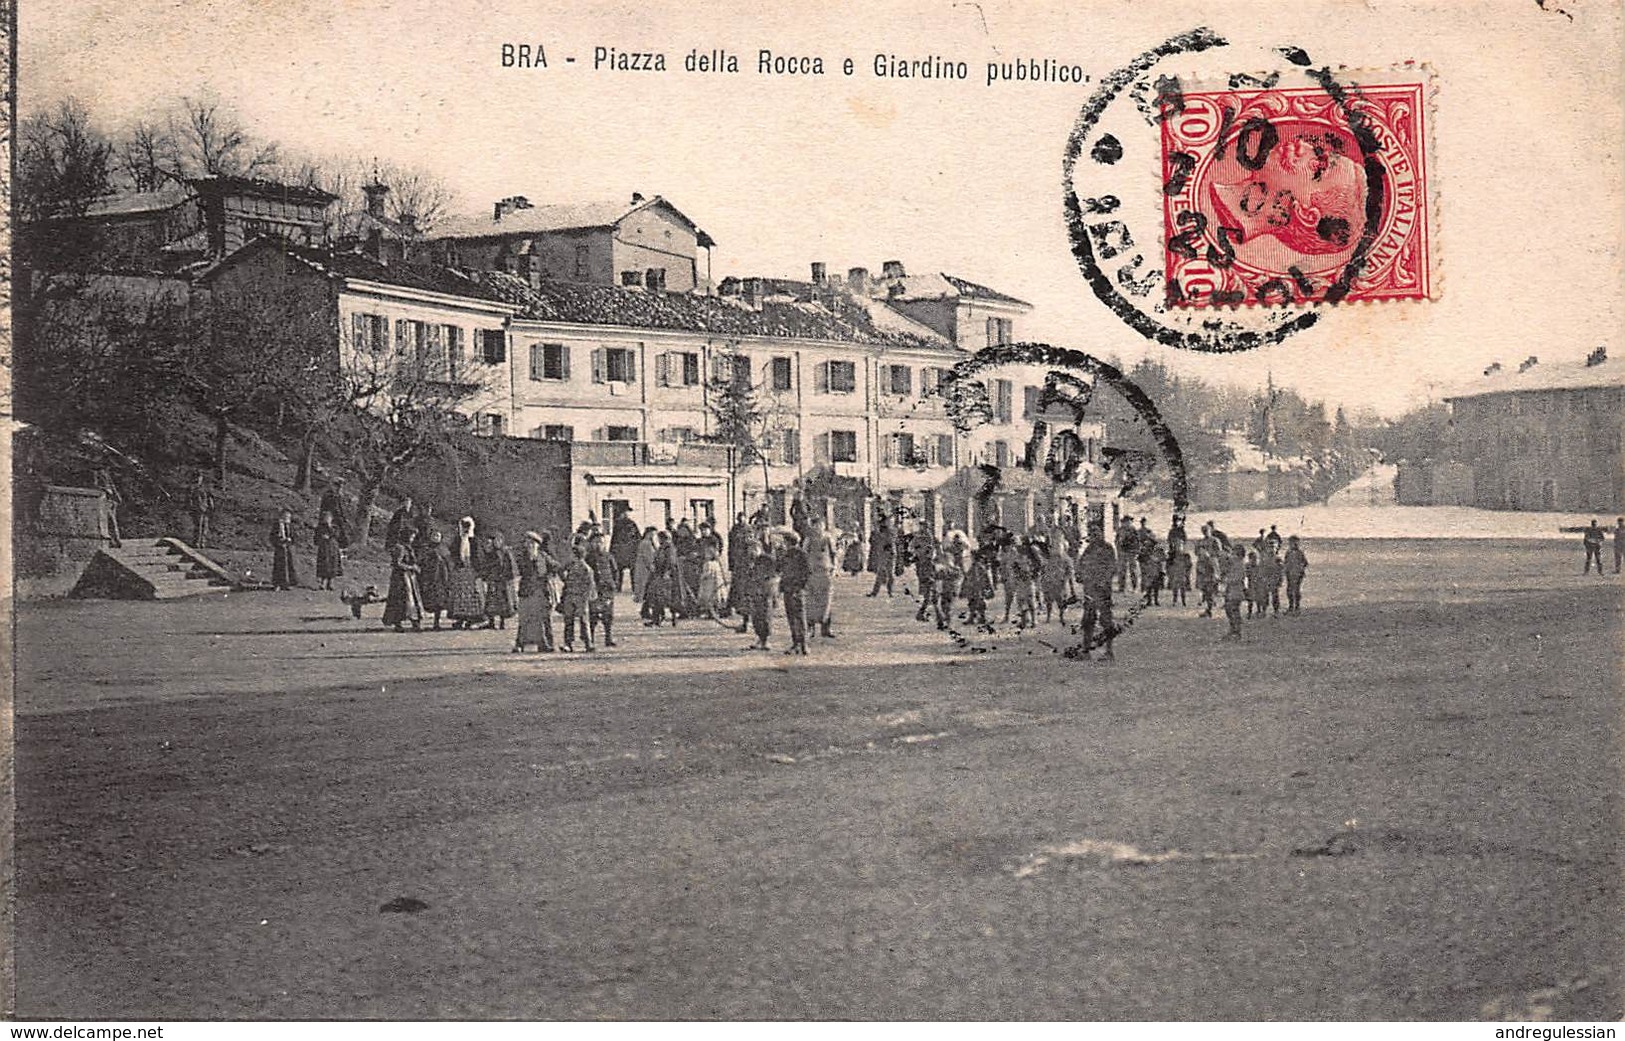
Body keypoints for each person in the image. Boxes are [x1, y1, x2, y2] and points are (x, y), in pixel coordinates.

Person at [1075, 527, 1117, 661]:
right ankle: (1086, 651)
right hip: (1089, 590)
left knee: (1106, 620)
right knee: (1088, 620)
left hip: (1102, 590)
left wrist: (1103, 581)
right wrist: (1079, 575)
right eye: (1091, 534)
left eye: (1096, 534)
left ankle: (1109, 652)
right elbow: (1081, 564)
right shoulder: (1089, 549)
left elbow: (1112, 567)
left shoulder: (1107, 548)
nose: (1093, 537)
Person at [514, 531, 557, 652]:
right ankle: (520, 644)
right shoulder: (522, 557)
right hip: (527, 591)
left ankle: (546, 644)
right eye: (528, 543)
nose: (530, 546)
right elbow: (519, 570)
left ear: (538, 545)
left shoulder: (543, 556)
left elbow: (555, 566)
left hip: (541, 592)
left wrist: (550, 575)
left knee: (544, 619)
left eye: (533, 543)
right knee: (524, 619)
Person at [446, 516, 486, 630]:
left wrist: (477, 570)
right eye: (463, 527)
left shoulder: (475, 541)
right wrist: (457, 565)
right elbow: (453, 555)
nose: (465, 529)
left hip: (472, 571)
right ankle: (460, 618)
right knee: (459, 595)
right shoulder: (457, 541)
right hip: (460, 571)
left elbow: (479, 557)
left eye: (468, 527)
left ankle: (471, 619)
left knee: (472, 595)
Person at [382, 530, 424, 633]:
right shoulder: (400, 548)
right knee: (402, 600)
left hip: (409, 577)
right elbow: (397, 563)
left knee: (412, 599)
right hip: (401, 578)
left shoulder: (408, 548)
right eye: (411, 537)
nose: (412, 539)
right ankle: (398, 623)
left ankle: (415, 622)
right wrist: (411, 567)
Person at [803, 518, 837, 638]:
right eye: (816, 525)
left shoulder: (828, 538)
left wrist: (835, 568)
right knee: (811, 601)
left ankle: (826, 628)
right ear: (813, 526)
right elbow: (804, 554)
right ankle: (810, 628)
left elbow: (834, 554)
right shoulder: (808, 539)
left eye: (820, 525)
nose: (818, 528)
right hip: (812, 573)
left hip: (825, 572)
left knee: (826, 600)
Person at [559, 543, 597, 652]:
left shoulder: (586, 568)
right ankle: (568, 643)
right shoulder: (570, 565)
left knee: (583, 620)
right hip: (570, 595)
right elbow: (561, 570)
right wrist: (564, 580)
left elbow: (590, 584)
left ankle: (588, 643)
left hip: (580, 597)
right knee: (569, 620)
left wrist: (586, 597)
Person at [778, 532, 811, 655]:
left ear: (789, 542)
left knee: (799, 616)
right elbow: (779, 568)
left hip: (796, 589)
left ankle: (803, 644)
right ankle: (796, 643)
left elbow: (807, 571)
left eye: (784, 541)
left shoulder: (801, 554)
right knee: (792, 617)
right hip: (788, 588)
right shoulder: (785, 554)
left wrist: (801, 586)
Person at [482, 531, 520, 630]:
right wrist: (486, 576)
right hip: (493, 580)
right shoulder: (490, 552)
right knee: (491, 601)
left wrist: (509, 577)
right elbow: (486, 566)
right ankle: (491, 622)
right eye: (495, 540)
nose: (497, 542)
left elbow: (511, 566)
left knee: (504, 602)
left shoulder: (506, 552)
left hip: (503, 581)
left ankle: (502, 622)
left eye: (499, 540)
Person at [746, 541, 780, 651]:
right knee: (756, 617)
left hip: (767, 593)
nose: (751, 552)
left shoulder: (767, 559)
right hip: (756, 593)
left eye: (754, 549)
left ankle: (765, 641)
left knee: (766, 616)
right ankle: (759, 639)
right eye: (750, 550)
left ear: (759, 548)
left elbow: (775, 575)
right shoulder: (752, 562)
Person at [586, 536, 618, 647]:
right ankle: (591, 639)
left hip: (607, 589)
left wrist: (614, 585)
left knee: (608, 615)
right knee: (593, 616)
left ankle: (608, 638)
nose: (599, 544)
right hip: (594, 589)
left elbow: (615, 571)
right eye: (596, 542)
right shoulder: (588, 557)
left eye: (601, 542)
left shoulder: (609, 556)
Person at [419, 529, 452, 630]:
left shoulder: (444, 549)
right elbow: (421, 560)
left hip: (441, 578)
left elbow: (448, 562)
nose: (435, 538)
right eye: (434, 536)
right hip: (429, 577)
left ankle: (436, 622)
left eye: (438, 536)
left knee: (439, 601)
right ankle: (420, 621)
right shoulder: (425, 548)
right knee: (428, 599)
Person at [1039, 539, 1073, 623]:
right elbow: (1043, 568)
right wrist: (1043, 579)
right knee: (1048, 601)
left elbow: (1070, 572)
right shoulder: (1049, 558)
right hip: (1049, 581)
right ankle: (1048, 617)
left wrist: (1065, 579)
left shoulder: (1067, 559)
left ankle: (1061, 617)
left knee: (1061, 601)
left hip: (1060, 583)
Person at [909, 524, 938, 622]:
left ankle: (923, 613)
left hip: (926, 573)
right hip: (926, 575)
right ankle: (921, 614)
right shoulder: (918, 539)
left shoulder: (929, 538)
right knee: (929, 596)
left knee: (930, 597)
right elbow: (912, 548)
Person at [934, 546, 964, 631]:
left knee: (949, 607)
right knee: (944, 606)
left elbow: (958, 578)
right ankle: (946, 622)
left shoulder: (955, 570)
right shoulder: (943, 569)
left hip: (951, 589)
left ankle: (949, 623)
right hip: (945, 589)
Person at [1222, 544, 1248, 640]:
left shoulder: (1240, 564)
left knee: (1233, 610)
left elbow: (1239, 577)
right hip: (1231, 590)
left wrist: (1227, 580)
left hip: (1237, 590)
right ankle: (1233, 630)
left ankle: (1236, 632)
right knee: (1229, 610)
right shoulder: (1234, 563)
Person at [610, 509, 641, 591]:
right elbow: (638, 538)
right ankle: (633, 588)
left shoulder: (621, 525)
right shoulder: (630, 524)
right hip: (627, 551)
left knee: (621, 570)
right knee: (629, 570)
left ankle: (619, 587)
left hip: (624, 551)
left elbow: (613, 540)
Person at [268, 508, 299, 589]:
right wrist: (278, 542)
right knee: (279, 566)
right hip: (280, 548)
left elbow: (295, 537)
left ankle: (288, 583)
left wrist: (290, 540)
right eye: (285, 516)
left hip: (289, 548)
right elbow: (272, 537)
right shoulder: (277, 526)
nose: (287, 518)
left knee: (290, 566)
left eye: (288, 517)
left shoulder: (291, 526)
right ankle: (277, 584)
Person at [314, 510, 344, 590]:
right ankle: (322, 583)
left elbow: (337, 535)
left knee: (333, 564)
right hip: (323, 548)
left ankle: (331, 582)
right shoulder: (319, 527)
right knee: (324, 564)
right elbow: (316, 539)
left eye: (328, 518)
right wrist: (322, 537)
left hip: (333, 547)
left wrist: (330, 528)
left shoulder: (335, 527)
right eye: (325, 518)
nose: (327, 519)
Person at [697, 537, 726, 620]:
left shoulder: (709, 563)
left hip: (709, 583)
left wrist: (702, 577)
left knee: (710, 597)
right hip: (713, 582)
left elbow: (707, 573)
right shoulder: (716, 563)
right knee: (714, 597)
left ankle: (712, 612)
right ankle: (714, 611)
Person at [867, 515, 896, 597]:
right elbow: (872, 541)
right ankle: (875, 592)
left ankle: (890, 592)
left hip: (889, 555)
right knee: (880, 573)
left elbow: (890, 543)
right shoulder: (878, 532)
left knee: (890, 574)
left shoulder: (890, 532)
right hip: (882, 555)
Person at [317, 478, 351, 548]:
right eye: (337, 486)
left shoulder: (341, 497)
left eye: (340, 486)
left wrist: (345, 519)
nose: (339, 488)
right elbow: (332, 509)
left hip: (338, 520)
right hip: (329, 519)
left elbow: (343, 510)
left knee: (343, 539)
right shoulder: (329, 496)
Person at [96, 468, 123, 548]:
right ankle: (113, 540)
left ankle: (116, 540)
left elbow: (112, 485)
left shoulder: (106, 474)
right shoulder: (96, 473)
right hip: (104, 499)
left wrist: (116, 495)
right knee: (108, 520)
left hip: (109, 500)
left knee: (112, 520)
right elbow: (96, 485)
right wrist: (106, 490)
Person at [1283, 535, 1309, 614]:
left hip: (1297, 574)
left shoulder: (1299, 552)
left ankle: (1297, 607)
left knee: (1296, 590)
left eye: (1294, 542)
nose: (1292, 544)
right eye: (1291, 542)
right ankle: (1291, 606)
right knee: (1289, 590)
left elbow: (1305, 563)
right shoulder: (1288, 552)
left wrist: (1300, 569)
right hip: (1290, 573)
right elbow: (1286, 562)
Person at [633, 526, 658, 604]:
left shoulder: (647, 542)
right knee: (643, 582)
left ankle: (640, 597)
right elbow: (647, 556)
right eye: (653, 534)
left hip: (643, 565)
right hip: (644, 566)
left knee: (642, 582)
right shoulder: (646, 543)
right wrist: (650, 565)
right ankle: (641, 598)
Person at [189, 473, 214, 549]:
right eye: (198, 479)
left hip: (205, 509)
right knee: (198, 527)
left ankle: (202, 542)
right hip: (197, 510)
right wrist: (193, 507)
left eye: (200, 479)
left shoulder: (205, 489)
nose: (199, 480)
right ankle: (196, 542)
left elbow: (209, 498)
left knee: (204, 527)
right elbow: (191, 500)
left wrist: (210, 507)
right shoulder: (193, 489)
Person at [1259, 546, 1283, 617]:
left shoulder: (1277, 559)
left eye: (1272, 548)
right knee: (1265, 596)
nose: (1271, 550)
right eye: (1269, 548)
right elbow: (1261, 569)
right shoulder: (1264, 558)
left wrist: (1280, 580)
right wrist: (1261, 578)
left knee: (1275, 596)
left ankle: (1276, 611)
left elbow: (1280, 570)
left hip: (1274, 580)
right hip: (1266, 580)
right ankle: (1264, 611)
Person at [1141, 540, 1166, 607]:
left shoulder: (1159, 551)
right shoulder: (1145, 552)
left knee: (1155, 587)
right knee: (1149, 587)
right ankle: (1150, 601)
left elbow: (1164, 558)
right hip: (1149, 571)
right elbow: (1141, 559)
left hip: (1156, 571)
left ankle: (1155, 600)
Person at [1167, 540, 1192, 607]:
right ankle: (1174, 601)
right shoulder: (1172, 556)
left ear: (1183, 546)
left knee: (1182, 588)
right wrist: (1169, 573)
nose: (1178, 547)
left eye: (1180, 545)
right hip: (1174, 573)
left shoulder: (1186, 555)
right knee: (1175, 588)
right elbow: (1168, 566)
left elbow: (1189, 565)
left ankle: (1183, 601)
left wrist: (1187, 574)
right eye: (1177, 545)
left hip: (1182, 573)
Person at [1195, 547, 1218, 617]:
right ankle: (1208, 610)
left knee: (1209, 595)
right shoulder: (1200, 561)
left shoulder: (1211, 560)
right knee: (1206, 595)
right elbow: (1198, 572)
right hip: (1204, 580)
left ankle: (1209, 611)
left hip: (1210, 580)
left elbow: (1214, 570)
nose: (1201, 555)